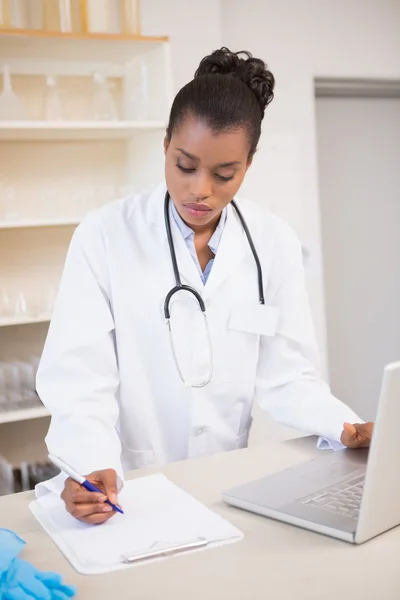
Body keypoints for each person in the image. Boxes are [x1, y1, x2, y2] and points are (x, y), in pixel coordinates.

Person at [36, 48, 373, 524]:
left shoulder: (272, 242)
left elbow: (288, 374)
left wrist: (345, 427)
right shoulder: (105, 234)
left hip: (222, 488)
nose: (200, 190)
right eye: (185, 165)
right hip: (127, 488)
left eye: (224, 174)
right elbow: (79, 380)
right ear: (166, 143)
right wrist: (92, 464)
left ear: (248, 164)